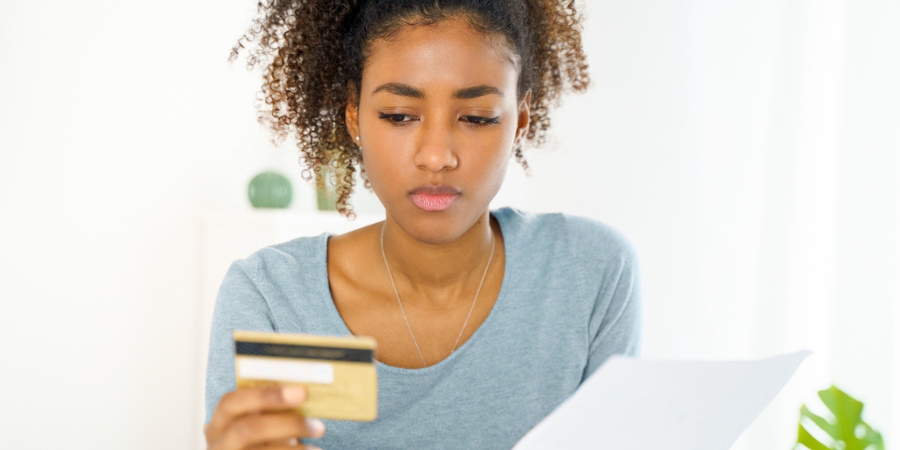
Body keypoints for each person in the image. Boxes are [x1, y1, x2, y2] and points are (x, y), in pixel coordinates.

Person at [204, 1, 642, 449]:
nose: (436, 156)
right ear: (354, 116)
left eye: (477, 118)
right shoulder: (269, 297)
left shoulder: (591, 273)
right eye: (399, 115)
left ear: (520, 123)